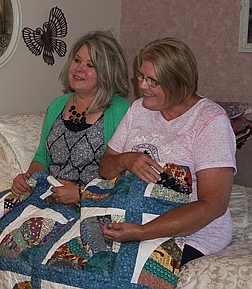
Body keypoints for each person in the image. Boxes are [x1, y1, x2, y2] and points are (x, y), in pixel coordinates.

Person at [99, 37, 236, 265]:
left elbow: (214, 204)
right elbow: (105, 168)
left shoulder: (210, 120)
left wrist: (142, 232)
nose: (142, 86)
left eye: (153, 81)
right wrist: (125, 160)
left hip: (190, 232)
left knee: (123, 271)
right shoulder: (138, 110)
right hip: (132, 217)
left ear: (178, 82)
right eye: (141, 77)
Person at [11, 31, 131, 204]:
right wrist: (27, 179)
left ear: (107, 72)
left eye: (90, 65)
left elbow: (124, 174)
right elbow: (42, 157)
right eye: (77, 60)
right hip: (49, 198)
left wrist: (82, 193)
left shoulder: (120, 110)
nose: (79, 68)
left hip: (92, 204)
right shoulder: (57, 105)